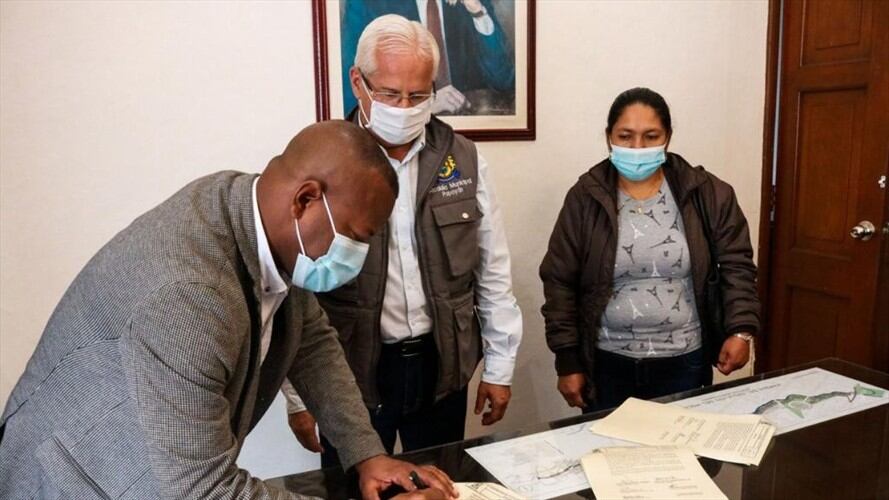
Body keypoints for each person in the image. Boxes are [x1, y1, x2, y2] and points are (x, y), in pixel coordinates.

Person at [0, 121, 457, 500]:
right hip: (76, 480)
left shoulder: (254, 213)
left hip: (147, 469)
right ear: (305, 200)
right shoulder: (188, 293)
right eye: (356, 235)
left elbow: (312, 343)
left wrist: (366, 454)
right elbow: (204, 490)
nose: (358, 253)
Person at [286, 14, 523, 467]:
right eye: (391, 94)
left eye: (419, 95)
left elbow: (492, 269)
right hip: (349, 371)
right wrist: (298, 398)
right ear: (359, 83)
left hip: (441, 367)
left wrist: (499, 367)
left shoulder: (463, 159)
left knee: (440, 484)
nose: (405, 106)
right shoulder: (322, 161)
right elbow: (292, 289)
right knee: (355, 488)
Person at [539, 88, 761, 412]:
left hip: (684, 362)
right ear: (608, 137)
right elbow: (559, 280)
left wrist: (741, 332)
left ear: (667, 138)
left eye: (650, 136)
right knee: (611, 457)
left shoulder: (708, 194)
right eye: (626, 136)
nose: (638, 148)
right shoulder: (586, 197)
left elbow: (737, 266)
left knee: (682, 457)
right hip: (607, 364)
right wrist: (567, 360)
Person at [339, 0, 515, 115]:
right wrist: (421, 106)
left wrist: (477, 11)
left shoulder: (471, 4)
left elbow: (503, 80)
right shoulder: (366, 4)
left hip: (465, 133)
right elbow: (351, 99)